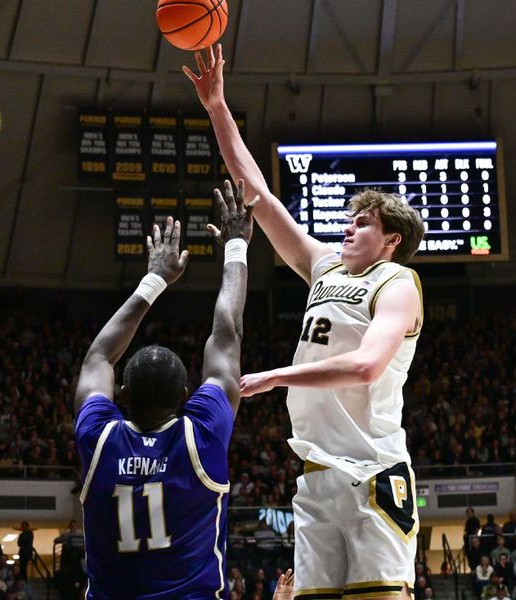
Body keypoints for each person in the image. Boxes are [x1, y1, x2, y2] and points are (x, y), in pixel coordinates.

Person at [185, 44, 426, 600]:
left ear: (390, 240)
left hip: (373, 471)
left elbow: (366, 367)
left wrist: (276, 376)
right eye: (348, 220)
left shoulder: (398, 284)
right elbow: (261, 198)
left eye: (361, 223)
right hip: (317, 475)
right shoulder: (323, 266)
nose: (347, 228)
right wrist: (218, 107)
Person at [74, 181, 254, 598]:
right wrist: (235, 247)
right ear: (186, 396)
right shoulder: (201, 434)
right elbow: (228, 335)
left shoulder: (98, 437)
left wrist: (154, 281)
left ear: (122, 395)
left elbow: (98, 357)